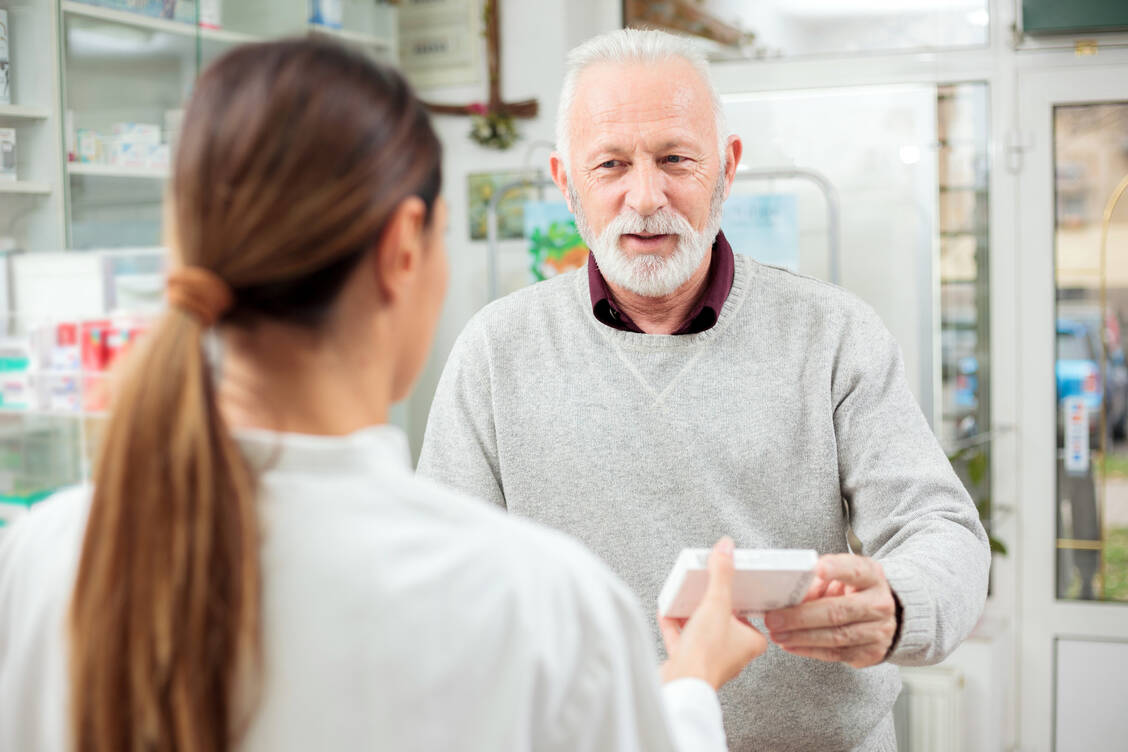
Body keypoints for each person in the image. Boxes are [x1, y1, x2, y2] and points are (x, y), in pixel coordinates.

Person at [0, 39, 768, 752]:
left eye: (674, 157)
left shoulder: (45, 556)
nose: (644, 195)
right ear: (403, 249)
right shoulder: (536, 602)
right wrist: (690, 680)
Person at [419, 28, 992, 752]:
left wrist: (901, 603)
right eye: (611, 164)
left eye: (675, 159)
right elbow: (439, 582)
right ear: (566, 183)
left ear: (727, 167)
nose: (645, 196)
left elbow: (941, 529)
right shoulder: (495, 353)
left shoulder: (834, 334)